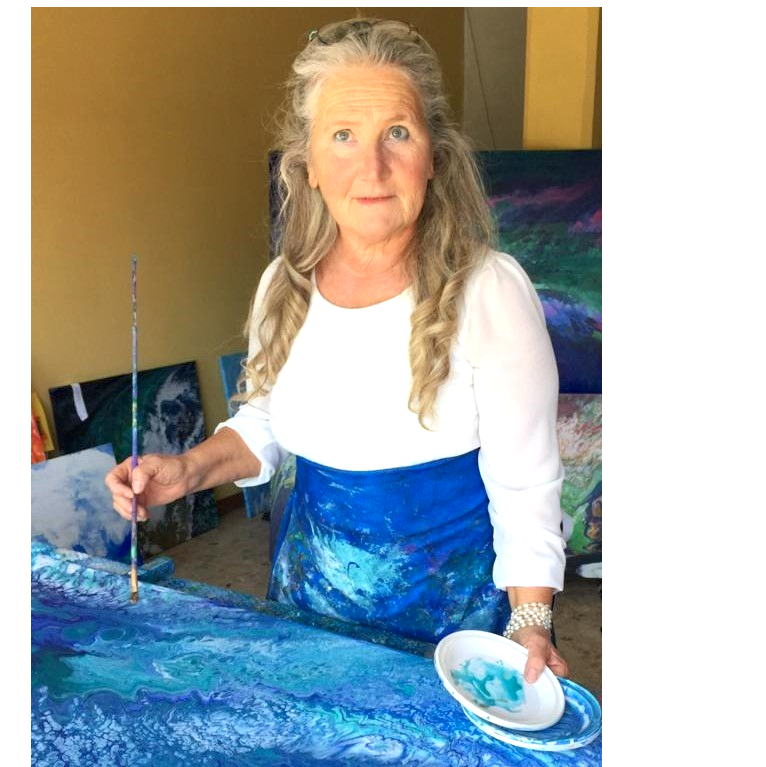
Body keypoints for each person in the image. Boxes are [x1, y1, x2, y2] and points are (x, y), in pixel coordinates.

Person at [107, 17, 569, 683]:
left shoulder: (488, 289)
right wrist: (186, 470)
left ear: (434, 155)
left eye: (397, 133)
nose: (372, 167)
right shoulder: (283, 285)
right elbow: (266, 422)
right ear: (310, 165)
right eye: (343, 136)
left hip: (452, 623)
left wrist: (530, 621)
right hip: (310, 606)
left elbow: (526, 482)